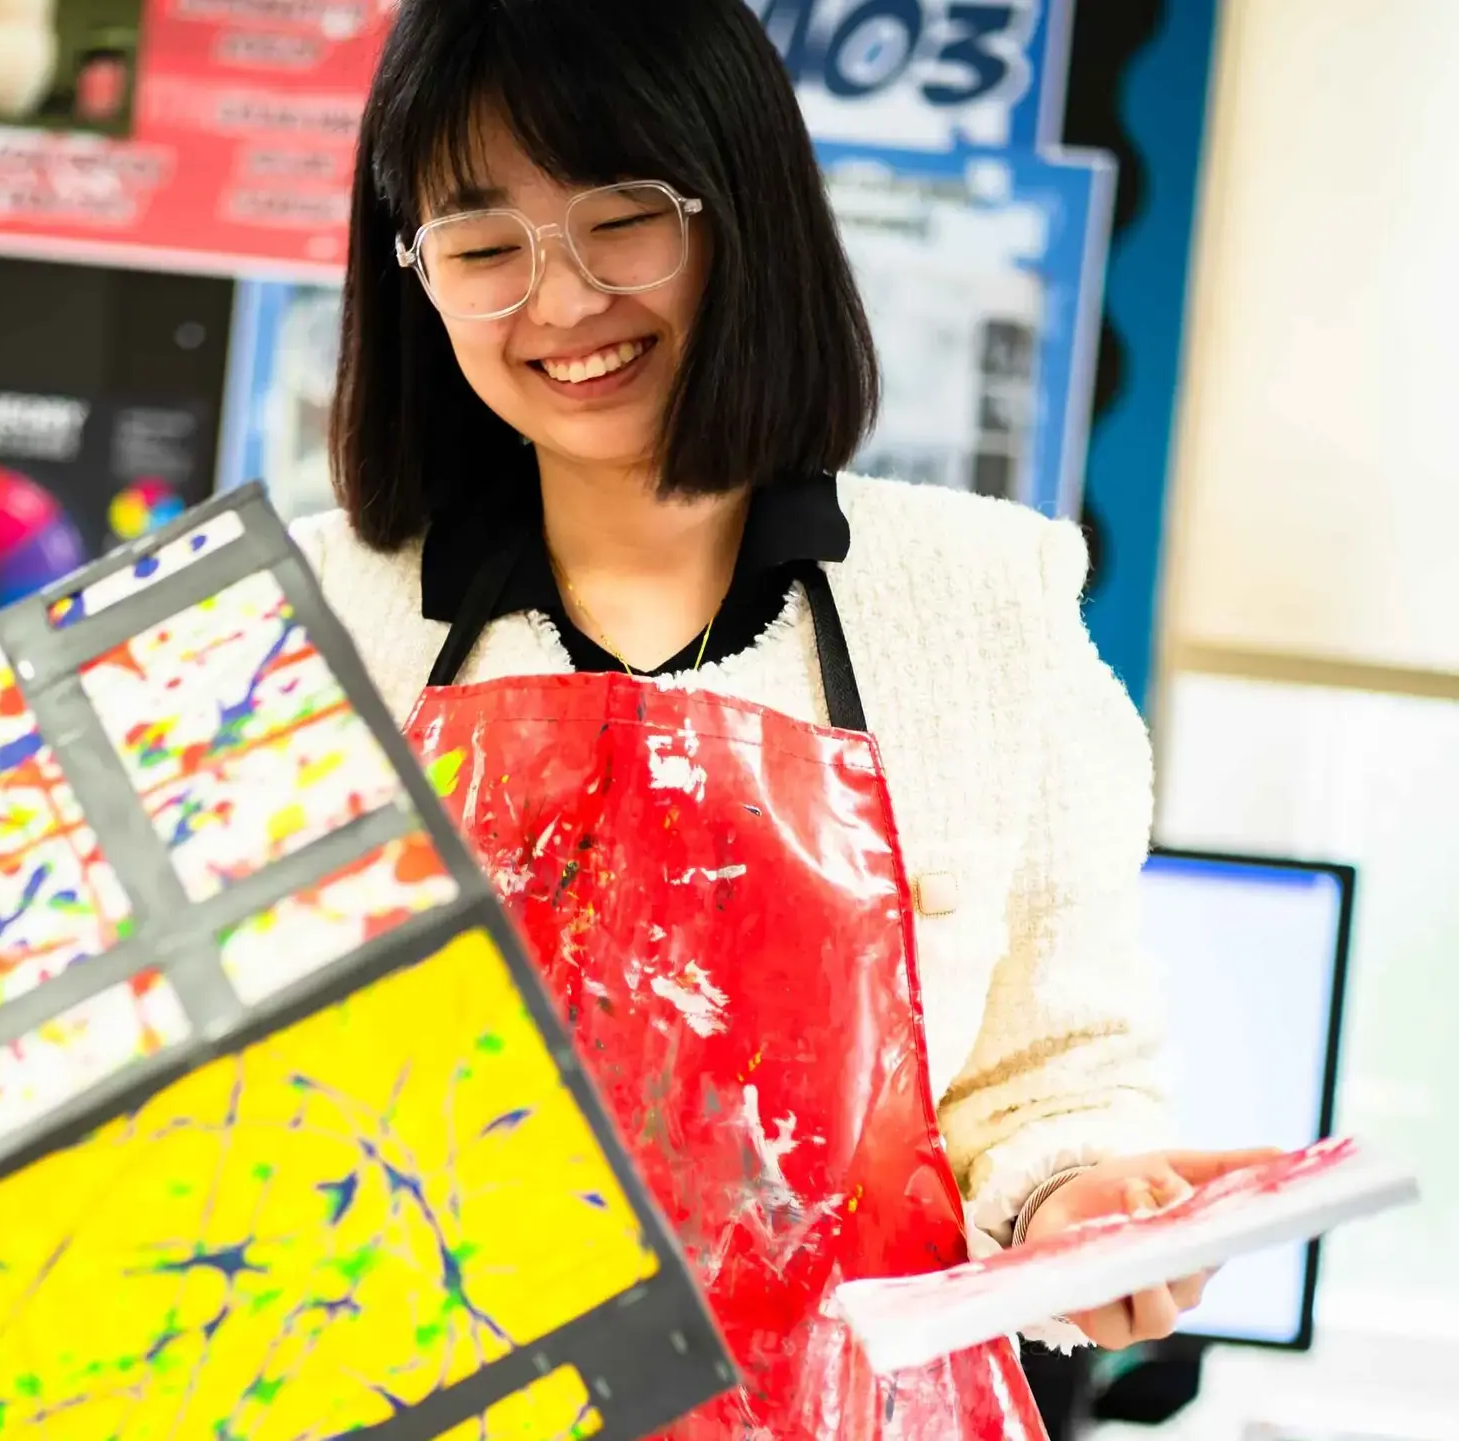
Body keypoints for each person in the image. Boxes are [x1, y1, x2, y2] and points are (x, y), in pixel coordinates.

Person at [288, 0, 1274, 1433]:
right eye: (485, 247)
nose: (558, 305)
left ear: (744, 211)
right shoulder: (309, 615)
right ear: (415, 280)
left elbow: (1056, 1080)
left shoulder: (985, 601)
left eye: (621, 220)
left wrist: (1085, 1197)